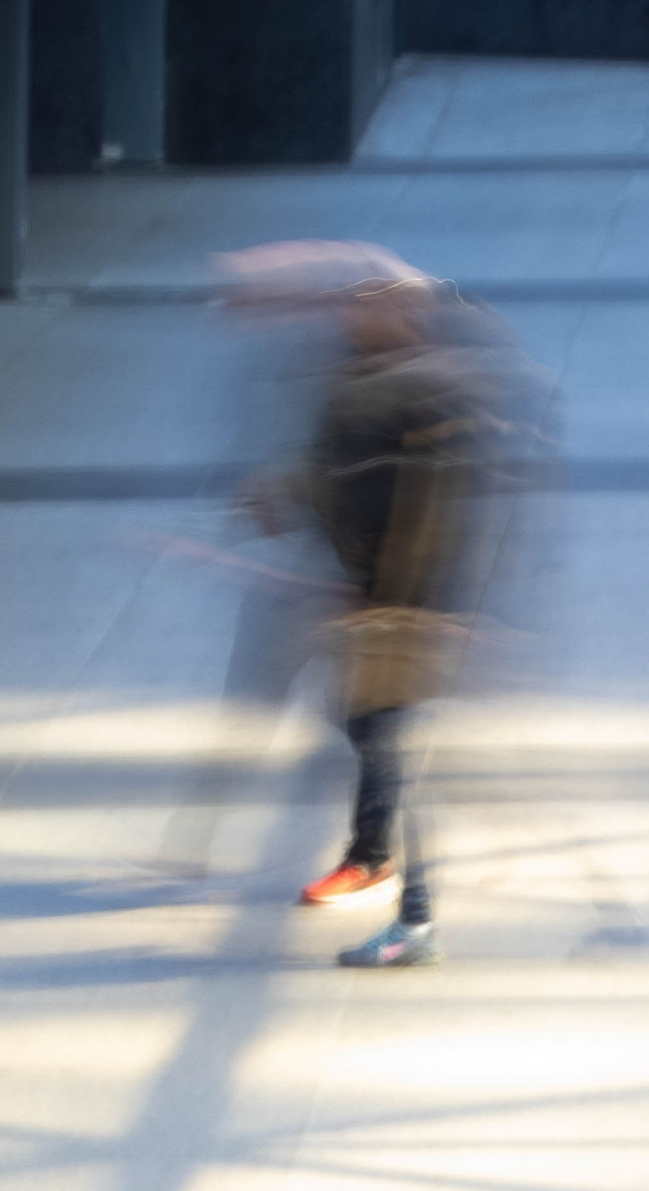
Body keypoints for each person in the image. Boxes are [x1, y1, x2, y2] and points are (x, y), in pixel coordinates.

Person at [282, 275, 514, 967]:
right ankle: (376, 861)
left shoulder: (436, 393)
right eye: (351, 302)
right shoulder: (359, 380)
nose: (353, 313)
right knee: (366, 727)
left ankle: (413, 914)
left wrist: (409, 606)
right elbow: (338, 475)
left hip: (409, 608)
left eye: (375, 305)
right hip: (376, 599)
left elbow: (437, 511)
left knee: (388, 744)